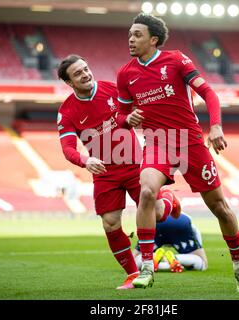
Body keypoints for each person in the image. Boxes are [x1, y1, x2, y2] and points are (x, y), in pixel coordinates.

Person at [116, 13, 239, 292]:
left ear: (153, 40)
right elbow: (120, 113)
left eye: (137, 34)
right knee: (147, 192)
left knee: (220, 209)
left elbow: (209, 93)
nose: (131, 39)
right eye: (129, 34)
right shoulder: (125, 74)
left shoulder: (176, 59)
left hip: (190, 142)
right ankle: (146, 267)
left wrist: (215, 127)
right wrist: (127, 119)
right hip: (157, 142)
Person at [56, 54, 181, 290]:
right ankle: (134, 274)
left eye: (86, 68)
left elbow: (141, 108)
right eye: (78, 73)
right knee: (110, 224)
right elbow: (68, 149)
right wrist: (85, 160)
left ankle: (168, 199)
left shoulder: (112, 89)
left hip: (134, 163)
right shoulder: (67, 112)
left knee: (158, 214)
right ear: (69, 83)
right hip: (104, 172)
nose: (86, 74)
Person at [133, 212, 208, 273]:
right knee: (203, 264)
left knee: (134, 263)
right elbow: (196, 232)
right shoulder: (183, 214)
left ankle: (153, 258)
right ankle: (176, 259)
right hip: (181, 222)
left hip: (155, 221)